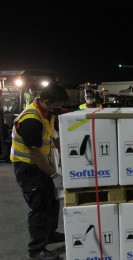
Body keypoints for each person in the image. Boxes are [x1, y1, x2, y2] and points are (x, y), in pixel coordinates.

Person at [10, 83, 69, 259]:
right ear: (46, 101)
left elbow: (53, 138)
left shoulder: (46, 114)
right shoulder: (31, 119)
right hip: (29, 168)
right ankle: (36, 249)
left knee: (52, 202)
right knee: (40, 207)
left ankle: (49, 234)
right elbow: (35, 154)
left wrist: (69, 158)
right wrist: (54, 174)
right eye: (55, 104)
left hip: (43, 165)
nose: (57, 108)